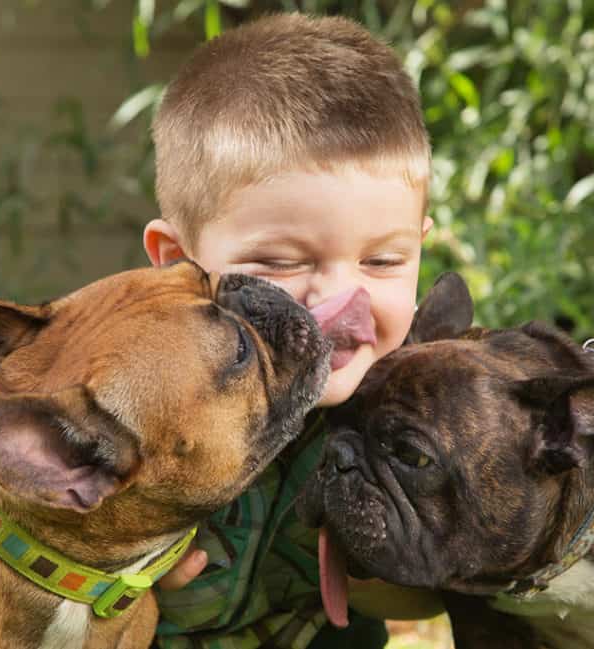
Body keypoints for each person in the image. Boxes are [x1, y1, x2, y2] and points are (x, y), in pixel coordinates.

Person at [141, 12, 443, 649]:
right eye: (279, 263)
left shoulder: (426, 411)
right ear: (177, 262)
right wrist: (122, 578)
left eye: (383, 261)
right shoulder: (130, 401)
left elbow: (429, 598)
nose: (335, 302)